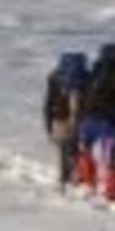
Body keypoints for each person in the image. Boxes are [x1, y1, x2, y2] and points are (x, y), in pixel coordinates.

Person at [75, 43, 115, 201]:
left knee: (85, 149)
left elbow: (84, 92)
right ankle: (111, 191)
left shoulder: (95, 70)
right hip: (108, 122)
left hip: (88, 119)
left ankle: (88, 180)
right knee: (110, 156)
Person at [43, 52, 88, 194]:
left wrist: (48, 124)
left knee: (63, 146)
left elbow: (49, 102)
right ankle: (77, 174)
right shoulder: (86, 76)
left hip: (60, 115)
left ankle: (64, 178)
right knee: (75, 144)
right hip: (79, 113)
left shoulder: (54, 77)